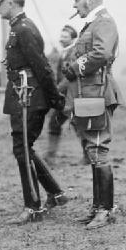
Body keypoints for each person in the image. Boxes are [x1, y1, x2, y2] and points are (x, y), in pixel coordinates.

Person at [0, 0, 69, 224]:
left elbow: (42, 66)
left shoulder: (24, 30)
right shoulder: (18, 28)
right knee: (24, 148)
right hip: (23, 95)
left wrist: (55, 97)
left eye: (0, 3)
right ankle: (56, 193)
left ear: (11, 4)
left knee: (22, 149)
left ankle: (33, 207)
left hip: (30, 97)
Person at [62, 0, 123, 229]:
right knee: (92, 149)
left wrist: (75, 68)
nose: (75, 6)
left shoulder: (104, 22)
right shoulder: (93, 24)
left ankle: (105, 210)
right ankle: (98, 207)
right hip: (88, 95)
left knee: (98, 149)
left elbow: (101, 53)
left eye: (77, 0)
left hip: (97, 93)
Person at [44, 23, 78, 161]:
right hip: (64, 98)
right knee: (55, 123)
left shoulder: (73, 54)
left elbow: (69, 78)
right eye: (61, 36)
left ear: (73, 39)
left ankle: (88, 156)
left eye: (65, 37)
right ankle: (51, 154)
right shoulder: (63, 53)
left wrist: (56, 90)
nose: (61, 39)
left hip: (72, 97)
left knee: (77, 125)